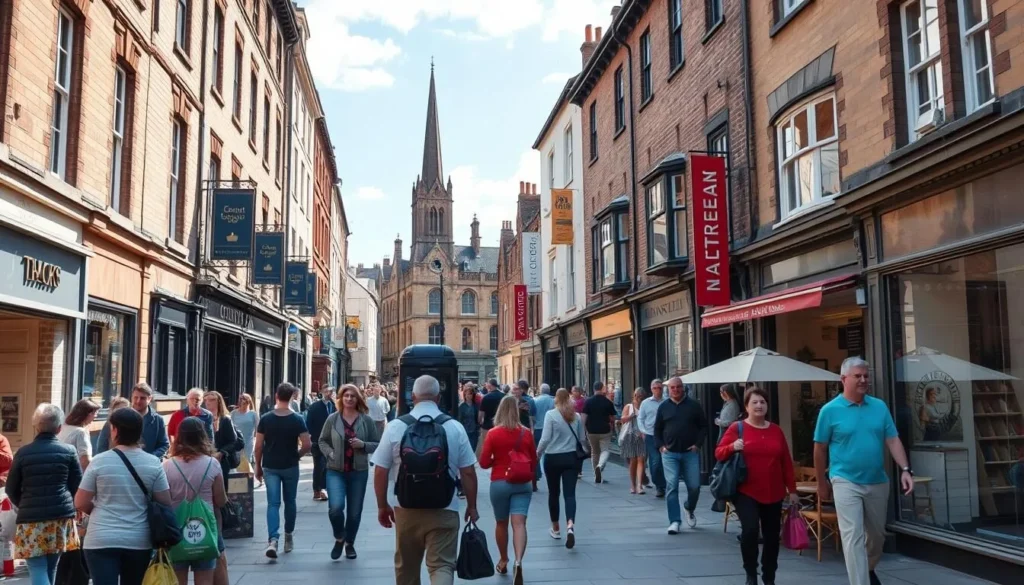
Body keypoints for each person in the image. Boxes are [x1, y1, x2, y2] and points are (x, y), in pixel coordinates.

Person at [814, 357, 914, 585]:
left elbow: (893, 440)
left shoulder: (879, 407)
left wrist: (906, 469)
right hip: (844, 480)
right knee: (853, 537)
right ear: (843, 379)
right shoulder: (829, 411)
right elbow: (819, 449)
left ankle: (867, 569)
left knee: (877, 537)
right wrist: (821, 482)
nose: (863, 380)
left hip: (877, 481)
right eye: (857, 376)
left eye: (866, 376)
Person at [372, 375, 478, 585]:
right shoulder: (454, 427)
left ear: (413, 397)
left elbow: (380, 471)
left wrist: (382, 506)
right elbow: (468, 472)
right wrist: (472, 506)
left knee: (407, 567)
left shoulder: (395, 426)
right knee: (442, 565)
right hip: (445, 507)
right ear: (438, 398)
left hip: (406, 508)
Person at [76, 408, 173, 585]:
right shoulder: (153, 463)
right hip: (138, 539)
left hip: (101, 538)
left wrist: (98, 510)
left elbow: (80, 501)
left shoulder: (99, 461)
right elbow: (165, 502)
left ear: (115, 430)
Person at [715, 387, 800, 585]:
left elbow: (786, 462)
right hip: (746, 491)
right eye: (755, 402)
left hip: (774, 491)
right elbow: (719, 453)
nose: (759, 405)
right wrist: (732, 447)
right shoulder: (737, 428)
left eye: (762, 402)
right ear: (746, 407)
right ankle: (751, 574)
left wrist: (792, 490)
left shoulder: (776, 430)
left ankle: (769, 576)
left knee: (772, 537)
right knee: (751, 531)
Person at [7, 404, 82, 585]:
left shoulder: (23, 453)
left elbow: (11, 488)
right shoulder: (69, 451)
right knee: (52, 566)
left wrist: (24, 503)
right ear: (59, 428)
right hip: (61, 516)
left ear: (36, 427)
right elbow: (77, 485)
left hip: (31, 519)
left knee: (37, 567)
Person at [479, 395, 537, 583]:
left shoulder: (493, 433)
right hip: (522, 483)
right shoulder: (526, 433)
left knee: (501, 523)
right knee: (519, 524)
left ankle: (504, 559)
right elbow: (534, 460)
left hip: (500, 482)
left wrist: (498, 461)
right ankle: (518, 561)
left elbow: (484, 462)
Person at [164, 417, 227, 585]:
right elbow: (221, 501)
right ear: (203, 436)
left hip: (176, 532)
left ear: (179, 437)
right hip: (205, 529)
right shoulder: (212, 464)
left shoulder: (167, 466)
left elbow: (164, 501)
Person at [319, 384, 379, 560]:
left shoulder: (366, 420)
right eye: (346, 396)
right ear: (341, 398)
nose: (349, 399)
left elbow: (376, 443)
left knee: (354, 513)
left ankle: (349, 543)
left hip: (358, 472)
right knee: (335, 508)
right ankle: (340, 537)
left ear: (358, 398)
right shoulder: (332, 419)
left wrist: (363, 445)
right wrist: (330, 453)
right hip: (335, 470)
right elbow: (322, 440)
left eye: (353, 396)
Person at [255, 382, 312, 558]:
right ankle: (288, 535)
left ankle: (273, 539)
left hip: (270, 466)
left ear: (276, 396)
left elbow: (258, 446)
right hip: (290, 465)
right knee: (290, 501)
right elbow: (307, 444)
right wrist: (297, 455)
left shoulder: (266, 418)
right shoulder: (297, 419)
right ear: (292, 397)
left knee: (273, 504)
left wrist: (257, 466)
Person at [655, 377, 708, 534]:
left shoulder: (694, 405)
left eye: (678, 387)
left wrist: (697, 445)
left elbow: (703, 426)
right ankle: (674, 521)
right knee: (672, 486)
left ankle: (689, 507)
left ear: (683, 388)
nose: (676, 390)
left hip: (689, 453)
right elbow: (657, 429)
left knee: (695, 487)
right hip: (669, 454)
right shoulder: (663, 407)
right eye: (673, 387)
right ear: (669, 389)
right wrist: (661, 446)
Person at [536, 388, 587, 548]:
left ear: (556, 399)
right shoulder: (576, 416)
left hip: (553, 458)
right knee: (570, 494)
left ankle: (556, 528)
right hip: (571, 458)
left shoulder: (551, 415)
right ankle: (570, 525)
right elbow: (582, 438)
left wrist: (538, 453)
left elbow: (545, 439)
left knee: (554, 493)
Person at [97, 384, 169, 458]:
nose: (138, 401)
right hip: (119, 462)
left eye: (142, 398)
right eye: (136, 397)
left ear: (149, 399)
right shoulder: (117, 418)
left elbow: (164, 445)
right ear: (131, 397)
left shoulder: (158, 420)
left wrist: (150, 458)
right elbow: (102, 446)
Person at [204, 391, 244, 486]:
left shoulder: (225, 419)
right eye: (205, 400)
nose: (208, 402)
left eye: (212, 400)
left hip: (221, 460)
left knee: (221, 487)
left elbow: (233, 441)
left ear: (218, 401)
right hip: (205, 459)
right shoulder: (202, 418)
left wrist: (221, 452)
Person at [581, 381, 616, 483]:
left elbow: (583, 418)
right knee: (605, 450)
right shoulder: (608, 402)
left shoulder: (588, 402)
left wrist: (584, 430)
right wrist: (612, 426)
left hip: (591, 431)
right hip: (605, 430)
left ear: (594, 389)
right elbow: (612, 418)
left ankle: (596, 474)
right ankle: (600, 466)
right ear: (602, 388)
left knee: (595, 452)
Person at [306, 387, 336, 502]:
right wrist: (311, 437)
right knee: (319, 466)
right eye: (326, 391)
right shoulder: (315, 407)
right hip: (317, 440)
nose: (329, 394)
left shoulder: (334, 406)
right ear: (322, 393)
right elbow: (309, 423)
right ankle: (317, 489)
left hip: (331, 441)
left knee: (328, 466)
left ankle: (324, 488)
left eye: (331, 392)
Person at [638, 379, 667, 497]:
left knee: (665, 461)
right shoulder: (645, 403)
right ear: (651, 389)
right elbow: (640, 418)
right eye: (655, 388)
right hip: (650, 435)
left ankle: (664, 485)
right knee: (655, 461)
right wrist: (643, 431)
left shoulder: (667, 401)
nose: (657, 390)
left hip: (665, 435)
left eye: (660, 388)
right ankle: (659, 485)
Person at [59, 399, 100, 472]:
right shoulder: (81, 432)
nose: (95, 416)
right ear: (88, 414)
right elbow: (85, 461)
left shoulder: (62, 428)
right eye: (95, 413)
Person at [620, 388, 648, 494]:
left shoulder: (645, 406)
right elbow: (622, 419)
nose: (639, 397)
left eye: (641, 395)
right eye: (637, 395)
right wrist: (631, 416)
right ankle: (633, 485)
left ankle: (639, 485)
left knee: (641, 459)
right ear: (634, 395)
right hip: (630, 435)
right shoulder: (629, 406)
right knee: (633, 461)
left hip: (642, 436)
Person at [532, 384, 555, 483]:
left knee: (537, 451)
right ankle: (547, 471)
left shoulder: (535, 400)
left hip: (537, 428)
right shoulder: (553, 401)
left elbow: (532, 416)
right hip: (550, 429)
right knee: (548, 451)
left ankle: (537, 472)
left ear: (540, 390)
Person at [230, 393, 259, 466]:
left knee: (247, 464)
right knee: (236, 463)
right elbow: (229, 428)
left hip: (248, 443)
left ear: (249, 403)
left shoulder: (253, 414)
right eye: (241, 402)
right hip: (236, 442)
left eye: (245, 403)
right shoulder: (233, 413)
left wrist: (256, 442)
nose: (243, 405)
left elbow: (258, 429)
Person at [478, 378, 504, 455]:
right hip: (501, 424)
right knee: (499, 447)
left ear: (490, 385)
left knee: (487, 447)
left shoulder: (485, 397)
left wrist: (480, 422)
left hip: (487, 425)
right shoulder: (503, 396)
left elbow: (481, 414)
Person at [457, 384, 480, 452]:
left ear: (473, 395)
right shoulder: (462, 406)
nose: (468, 396)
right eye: (466, 394)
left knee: (473, 449)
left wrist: (478, 428)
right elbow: (460, 420)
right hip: (465, 431)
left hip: (474, 431)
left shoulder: (476, 406)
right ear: (464, 395)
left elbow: (478, 419)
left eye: (470, 394)